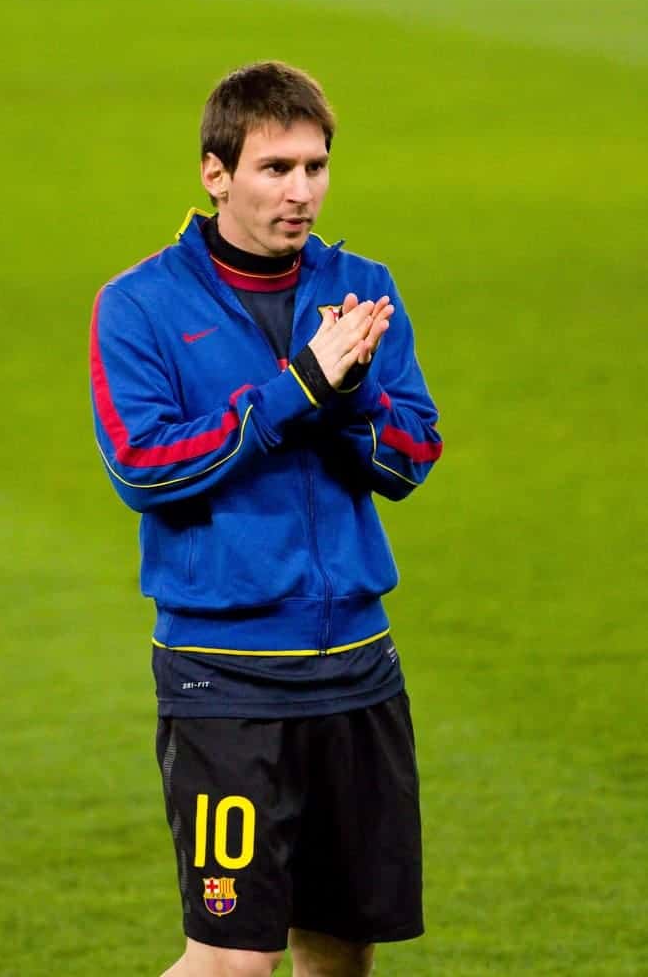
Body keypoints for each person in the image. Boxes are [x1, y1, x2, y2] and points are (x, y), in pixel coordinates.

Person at [90, 61, 442, 977]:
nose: (301, 192)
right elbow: (146, 466)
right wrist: (296, 391)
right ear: (216, 173)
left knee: (340, 947)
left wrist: (345, 399)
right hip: (229, 684)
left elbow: (413, 456)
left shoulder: (360, 288)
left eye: (315, 167)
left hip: (358, 673)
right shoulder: (140, 305)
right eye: (275, 168)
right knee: (230, 962)